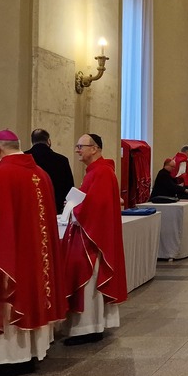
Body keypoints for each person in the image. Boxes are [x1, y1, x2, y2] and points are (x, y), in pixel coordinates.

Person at [0, 129, 65, 375]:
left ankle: (7, 359)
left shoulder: (1, 173)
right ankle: (31, 352)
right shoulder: (41, 174)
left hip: (14, 253)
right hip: (35, 253)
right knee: (33, 295)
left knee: (9, 298)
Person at [61, 133, 127, 345]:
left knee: (89, 282)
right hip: (87, 234)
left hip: (92, 239)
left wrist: (73, 208)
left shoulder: (101, 172)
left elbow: (96, 208)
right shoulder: (95, 171)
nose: (77, 150)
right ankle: (90, 327)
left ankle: (88, 329)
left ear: (95, 148)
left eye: (81, 146)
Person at [25, 129, 74, 213]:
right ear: (49, 141)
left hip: (29, 208)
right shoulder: (61, 160)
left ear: (32, 141)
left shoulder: (24, 158)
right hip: (55, 209)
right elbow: (69, 188)